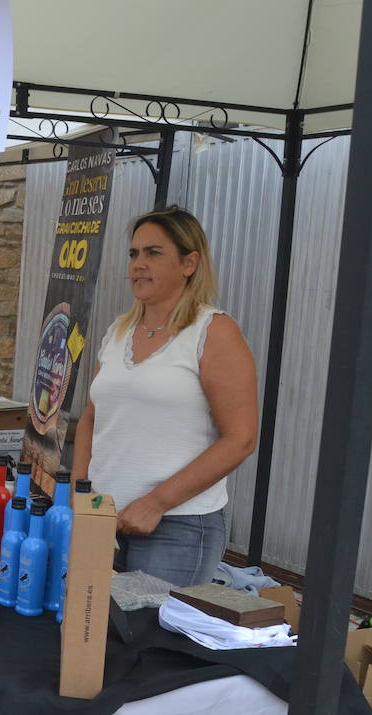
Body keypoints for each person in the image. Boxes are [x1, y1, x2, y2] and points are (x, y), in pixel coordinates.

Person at [75, 208, 258, 591]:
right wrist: (79, 493)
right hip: (102, 519)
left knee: (149, 645)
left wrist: (157, 502)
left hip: (177, 527)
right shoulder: (119, 331)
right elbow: (92, 418)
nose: (138, 265)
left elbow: (240, 438)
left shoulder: (214, 332)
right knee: (91, 642)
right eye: (133, 254)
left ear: (189, 262)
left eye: (153, 253)